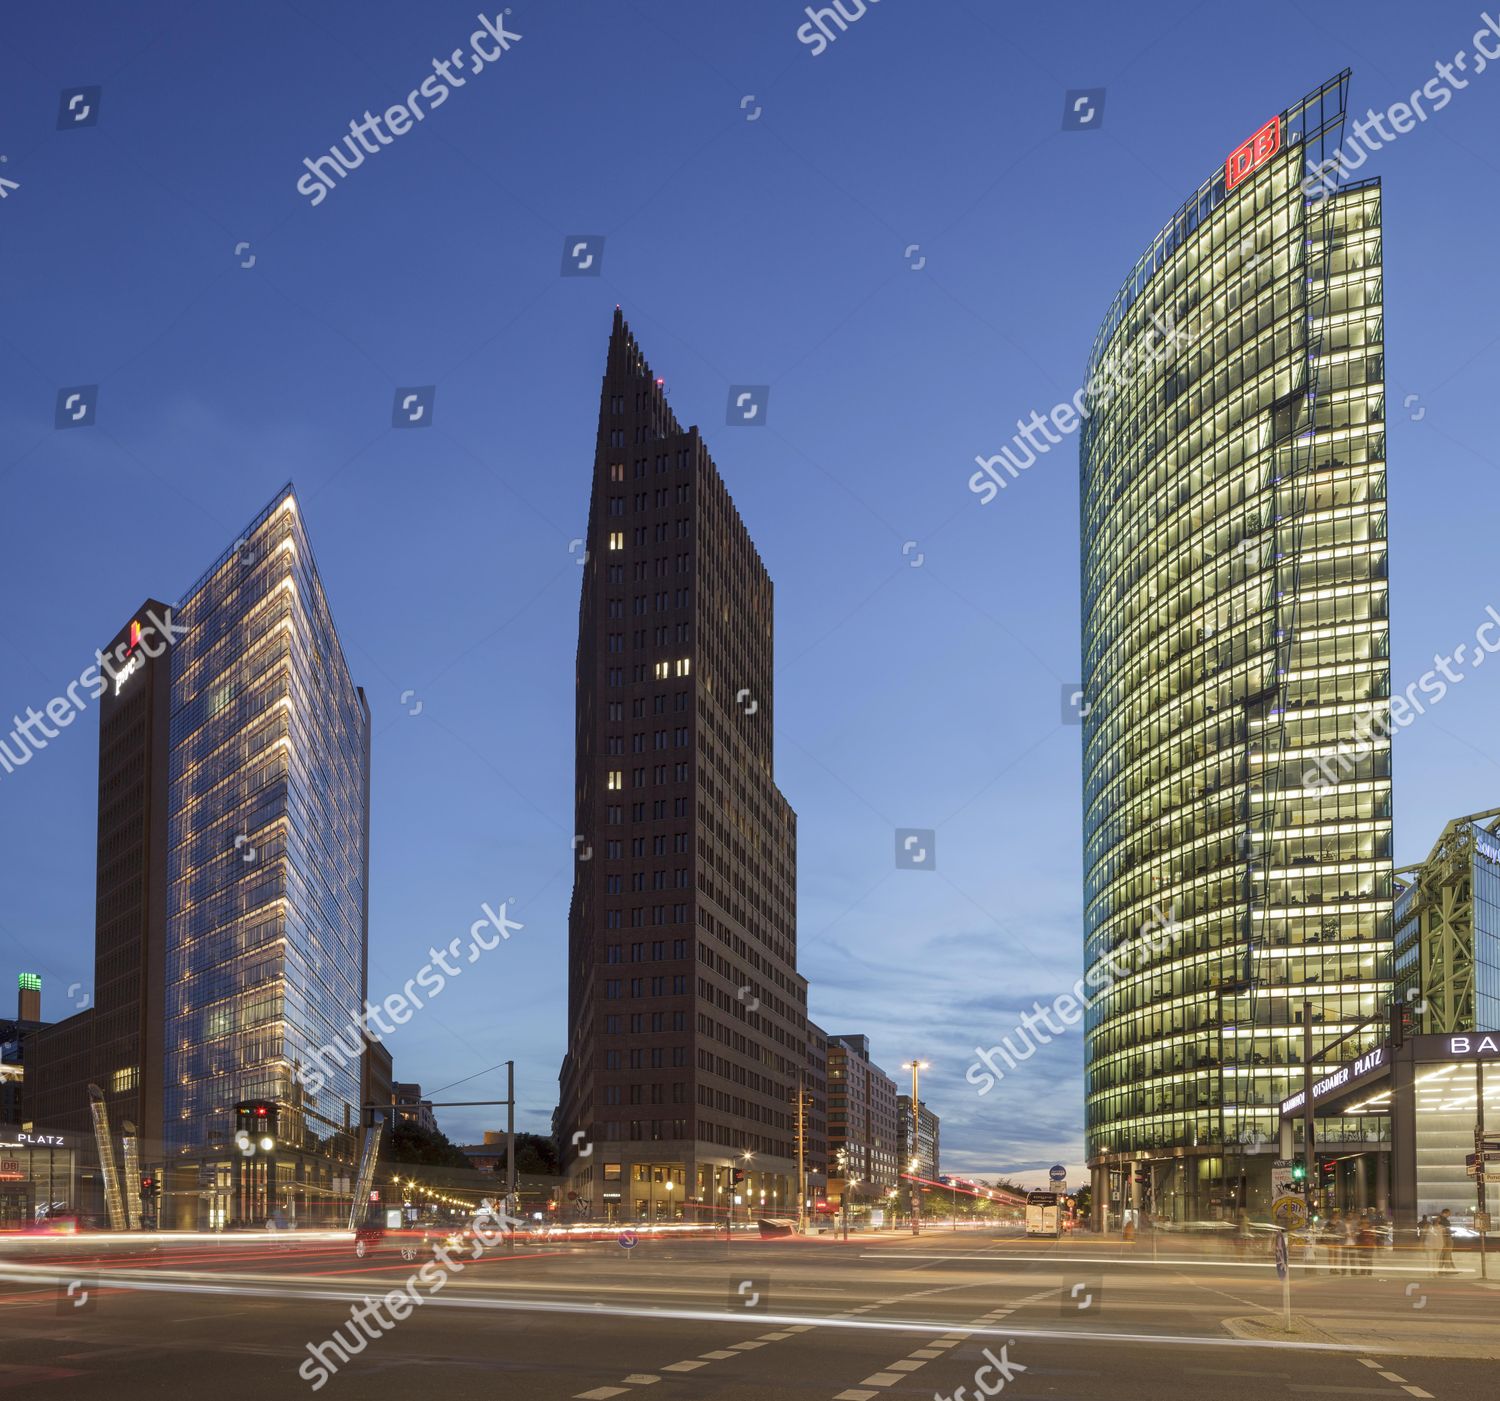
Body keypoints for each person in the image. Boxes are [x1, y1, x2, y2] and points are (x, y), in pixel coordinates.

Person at [1438, 1209, 1457, 1273]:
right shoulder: (1445, 1221)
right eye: (1449, 1213)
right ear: (1445, 1213)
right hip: (1447, 1238)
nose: (1450, 1215)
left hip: (1441, 1239)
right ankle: (1447, 1269)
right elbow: (1447, 1231)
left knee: (1444, 1254)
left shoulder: (1438, 1220)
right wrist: (1453, 1231)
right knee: (1447, 1254)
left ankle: (1442, 1269)